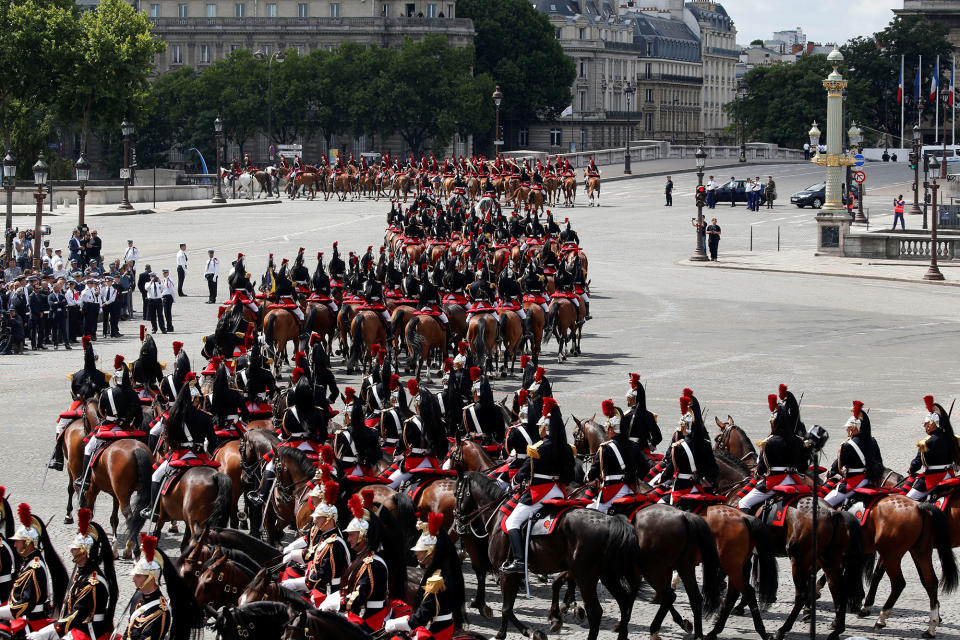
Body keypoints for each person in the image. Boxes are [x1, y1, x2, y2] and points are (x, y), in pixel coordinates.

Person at [501, 396, 575, 573]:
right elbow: (570, 475)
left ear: (545, 428)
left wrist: (515, 480)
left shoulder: (539, 447)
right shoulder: (565, 448)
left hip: (540, 492)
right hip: (558, 490)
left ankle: (519, 561)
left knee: (512, 521)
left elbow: (524, 471)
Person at [25, 508, 117, 640]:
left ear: (85, 552)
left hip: (89, 632)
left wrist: (43, 634)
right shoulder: (82, 574)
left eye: (75, 548)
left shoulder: (93, 582)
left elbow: (77, 615)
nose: (71, 550)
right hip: (78, 628)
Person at [383, 511, 465, 640]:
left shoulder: (436, 580)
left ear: (430, 552)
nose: (416, 554)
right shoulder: (438, 573)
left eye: (419, 551)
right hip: (439, 626)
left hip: (438, 632)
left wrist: (394, 624)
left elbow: (423, 615)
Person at [0, 503, 68, 629]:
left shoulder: (34, 568)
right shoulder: (28, 562)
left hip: (31, 623)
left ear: (28, 543)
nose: (14, 545)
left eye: (18, 541)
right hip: (23, 618)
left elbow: (26, 604)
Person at [737, 394, 809, 512]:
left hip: (775, 481)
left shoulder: (769, 442)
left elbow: (761, 469)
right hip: (795, 480)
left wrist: (761, 472)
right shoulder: (798, 441)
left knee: (744, 502)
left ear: (774, 423)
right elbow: (803, 466)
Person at [586, 399, 648, 512]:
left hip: (613, 491)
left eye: (608, 429)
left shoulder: (605, 448)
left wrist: (589, 478)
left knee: (589, 510)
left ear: (611, 429)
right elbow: (645, 468)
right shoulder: (633, 445)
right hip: (631, 489)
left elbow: (593, 474)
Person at [823, 401, 883, 507]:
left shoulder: (848, 445)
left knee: (825, 503)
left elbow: (838, 466)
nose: (847, 429)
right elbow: (879, 461)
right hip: (870, 480)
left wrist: (830, 473)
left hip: (855, 482)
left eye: (848, 428)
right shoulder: (873, 441)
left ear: (853, 428)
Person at [905, 395, 960, 501]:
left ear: (932, 424)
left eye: (925, 424)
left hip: (934, 478)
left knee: (908, 500)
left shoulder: (926, 442)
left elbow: (917, 463)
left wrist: (911, 469)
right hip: (950, 475)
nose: (924, 427)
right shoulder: (954, 439)